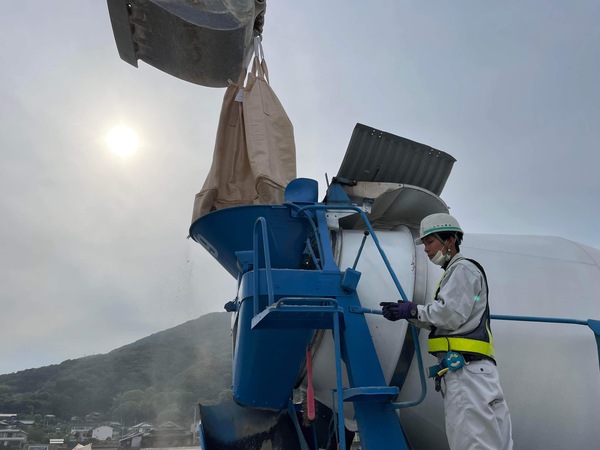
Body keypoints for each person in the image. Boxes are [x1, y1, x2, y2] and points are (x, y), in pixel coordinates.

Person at [380, 213, 513, 450]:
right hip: (479, 372)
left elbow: (449, 316)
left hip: (465, 373)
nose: (426, 250)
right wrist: (412, 313)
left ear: (450, 240)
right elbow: (451, 317)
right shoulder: (458, 272)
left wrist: (412, 312)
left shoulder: (462, 269)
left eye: (430, 242)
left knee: (472, 444)